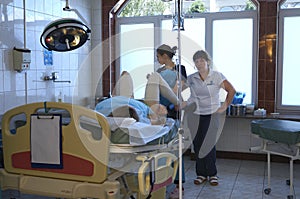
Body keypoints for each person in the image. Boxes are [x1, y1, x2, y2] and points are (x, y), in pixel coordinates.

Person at [183, 50, 236, 186]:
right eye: (196, 61)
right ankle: (201, 174)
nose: (199, 63)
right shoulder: (191, 78)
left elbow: (232, 90)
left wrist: (224, 106)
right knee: (197, 144)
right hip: (194, 115)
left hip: (211, 115)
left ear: (207, 61)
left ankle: (212, 174)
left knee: (209, 144)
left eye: (201, 60)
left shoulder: (217, 76)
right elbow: (180, 90)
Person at [155, 44, 187, 199]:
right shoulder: (159, 72)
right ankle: (162, 182)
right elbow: (156, 91)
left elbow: (180, 88)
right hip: (160, 114)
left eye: (158, 57)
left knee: (175, 149)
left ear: (165, 56)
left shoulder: (180, 69)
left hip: (173, 113)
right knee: (161, 149)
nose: (157, 59)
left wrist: (170, 103)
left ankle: (179, 186)